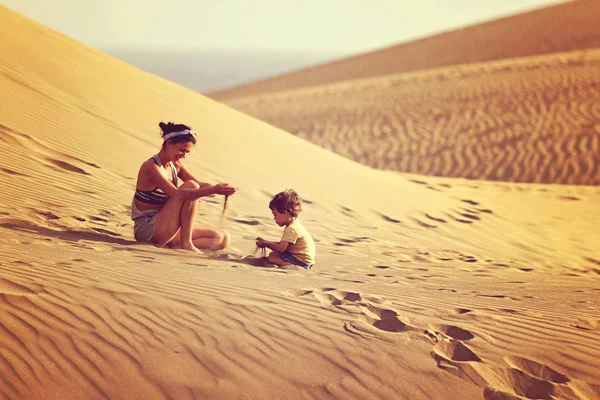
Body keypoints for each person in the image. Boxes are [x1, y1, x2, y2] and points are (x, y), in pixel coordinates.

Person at [132, 122, 236, 252]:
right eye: (182, 150)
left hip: (166, 226)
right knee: (191, 186)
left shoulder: (175, 165)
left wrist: (221, 188)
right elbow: (177, 194)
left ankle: (177, 246)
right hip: (148, 230)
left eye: (187, 152)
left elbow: (200, 184)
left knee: (222, 237)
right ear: (169, 143)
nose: (184, 155)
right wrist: (212, 190)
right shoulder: (151, 167)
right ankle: (186, 244)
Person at [255, 189, 315, 269]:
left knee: (272, 257)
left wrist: (266, 244)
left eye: (275, 214)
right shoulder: (295, 224)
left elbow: (281, 249)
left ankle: (292, 266)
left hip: (301, 262)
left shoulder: (292, 229)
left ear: (285, 212)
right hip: (305, 260)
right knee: (273, 254)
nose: (274, 218)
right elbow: (283, 244)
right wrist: (265, 242)